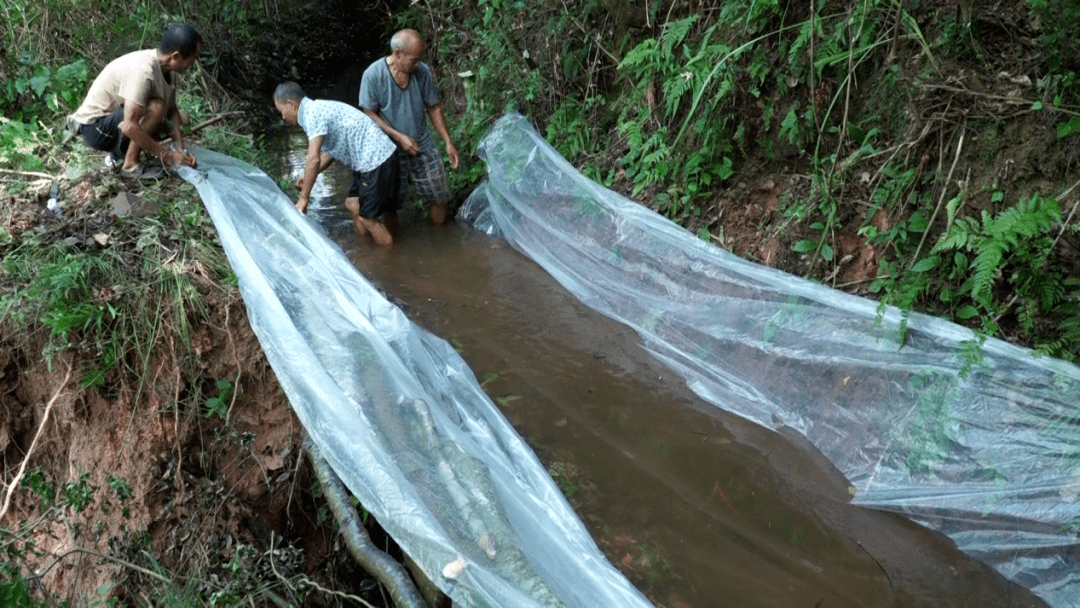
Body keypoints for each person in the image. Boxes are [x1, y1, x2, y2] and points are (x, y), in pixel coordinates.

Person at [273, 82, 401, 247]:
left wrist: (304, 198)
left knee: (368, 218)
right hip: (368, 159)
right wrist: (307, 177)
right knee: (352, 204)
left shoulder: (312, 114)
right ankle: (366, 248)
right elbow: (329, 153)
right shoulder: (312, 111)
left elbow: (313, 158)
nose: (282, 117)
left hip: (375, 159)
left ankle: (388, 260)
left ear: (291, 105)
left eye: (281, 111)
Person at [67, 22, 200, 179]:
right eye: (191, 59)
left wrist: (180, 151)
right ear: (175, 56)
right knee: (156, 108)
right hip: (95, 128)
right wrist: (168, 156)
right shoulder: (143, 71)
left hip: (119, 120)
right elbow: (129, 127)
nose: (192, 64)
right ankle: (130, 163)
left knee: (182, 118)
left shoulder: (170, 71)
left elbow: (172, 112)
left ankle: (126, 153)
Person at [359, 28, 459, 225]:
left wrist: (448, 142)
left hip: (421, 141)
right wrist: (398, 137)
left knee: (440, 196)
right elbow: (369, 113)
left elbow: (434, 107)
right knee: (390, 205)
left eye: (419, 59)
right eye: (413, 59)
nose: (418, 64)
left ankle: (440, 246)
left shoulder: (422, 72)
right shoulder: (373, 75)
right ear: (397, 54)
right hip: (388, 149)